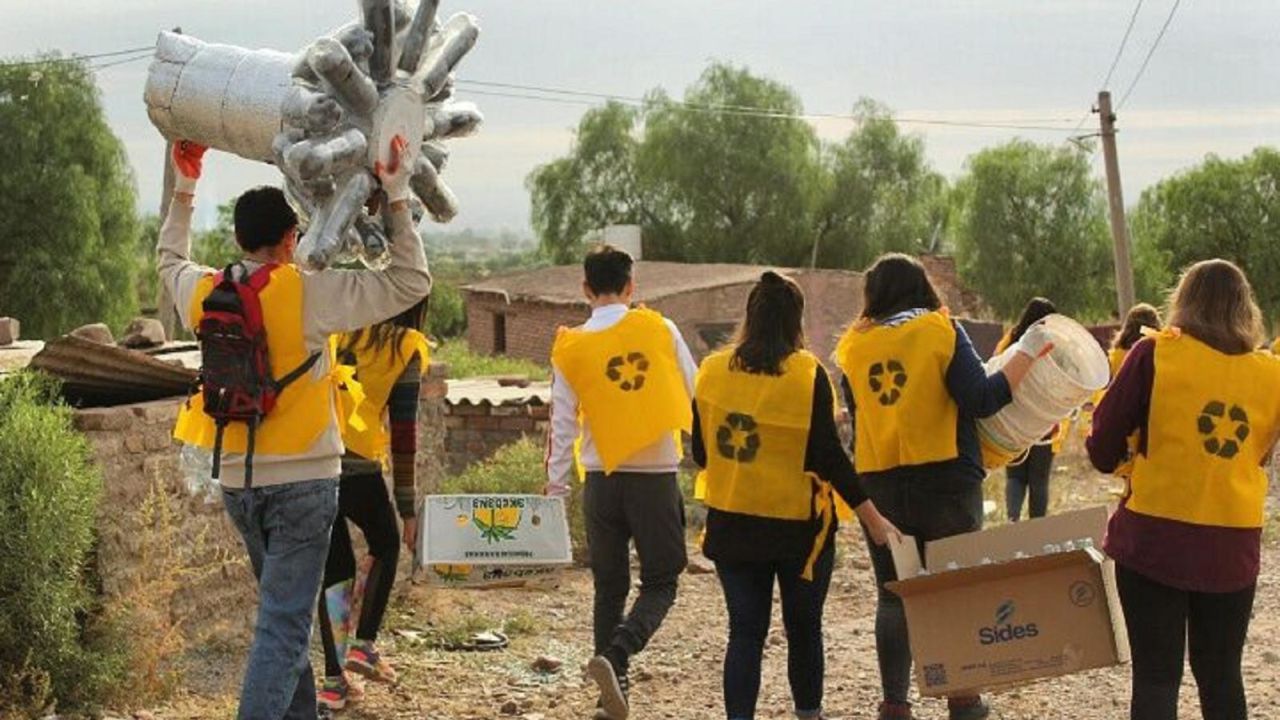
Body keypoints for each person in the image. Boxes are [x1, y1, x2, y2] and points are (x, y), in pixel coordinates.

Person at [160, 139, 431, 720]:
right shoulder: (309, 292)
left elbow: (168, 262)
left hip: (236, 482)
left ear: (236, 241)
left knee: (284, 612)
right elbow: (410, 283)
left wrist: (186, 186)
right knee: (283, 625)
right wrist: (400, 193)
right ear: (290, 241)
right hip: (305, 485)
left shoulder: (208, 292)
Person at [834, 254, 1050, 720]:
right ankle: (963, 699)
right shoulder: (939, 330)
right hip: (947, 481)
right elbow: (983, 398)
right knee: (955, 589)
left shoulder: (853, 347)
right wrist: (1028, 354)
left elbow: (857, 415)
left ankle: (895, 705)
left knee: (894, 595)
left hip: (880, 483)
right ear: (921, 288)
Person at [691, 271, 900, 720]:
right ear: (796, 320)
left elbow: (701, 452)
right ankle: (808, 714)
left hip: (732, 527)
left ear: (749, 317)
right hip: (799, 534)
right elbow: (829, 457)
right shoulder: (807, 374)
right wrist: (873, 518)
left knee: (744, 633)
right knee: (804, 630)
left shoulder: (710, 372)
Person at [1088, 259, 1277, 720]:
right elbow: (1260, 453)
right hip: (1231, 546)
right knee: (1221, 675)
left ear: (1183, 303)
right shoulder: (1270, 376)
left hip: (1153, 541)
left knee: (1156, 677)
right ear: (1245, 309)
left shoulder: (1154, 355)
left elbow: (1102, 446)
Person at [545, 245, 695, 720]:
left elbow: (561, 422)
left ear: (586, 290)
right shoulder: (659, 328)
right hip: (654, 477)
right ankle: (617, 656)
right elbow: (697, 392)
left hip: (601, 481)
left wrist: (555, 486)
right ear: (632, 287)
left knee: (609, 586)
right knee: (662, 581)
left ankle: (612, 694)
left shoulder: (570, 345)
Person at [316, 300, 430, 711]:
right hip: (359, 467)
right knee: (385, 543)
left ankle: (334, 682)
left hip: (315, 463)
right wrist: (408, 508)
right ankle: (363, 645)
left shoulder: (338, 331)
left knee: (336, 572)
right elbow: (403, 435)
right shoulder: (405, 346)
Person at [998, 297, 1059, 522]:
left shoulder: (1012, 340)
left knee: (1015, 476)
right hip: (1043, 421)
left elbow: (997, 369)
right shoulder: (1053, 344)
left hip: (1013, 421)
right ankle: (1037, 529)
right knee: (1039, 479)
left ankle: (1012, 521)